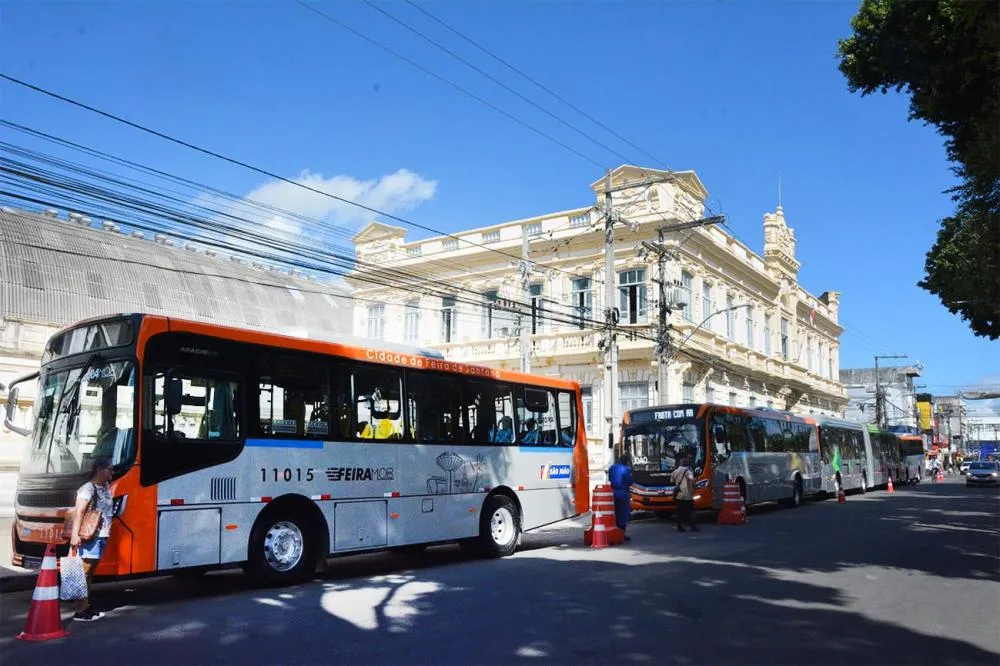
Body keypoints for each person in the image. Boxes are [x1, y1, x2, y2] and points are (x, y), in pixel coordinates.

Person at [70, 457, 114, 622]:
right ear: (100, 470)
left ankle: (86, 606)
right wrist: (75, 535)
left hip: (102, 535)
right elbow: (79, 513)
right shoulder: (87, 489)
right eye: (110, 469)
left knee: (90, 573)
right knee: (84, 571)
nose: (112, 472)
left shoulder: (104, 487)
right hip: (91, 536)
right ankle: (80, 610)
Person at [608, 452, 633, 541]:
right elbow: (630, 482)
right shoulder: (626, 469)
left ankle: (614, 531)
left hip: (612, 493)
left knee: (614, 512)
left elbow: (610, 479)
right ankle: (621, 533)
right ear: (626, 461)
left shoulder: (612, 468)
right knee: (623, 514)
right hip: (623, 493)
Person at [670, 455, 698, 532]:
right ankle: (692, 527)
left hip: (679, 495)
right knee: (691, 511)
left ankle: (679, 526)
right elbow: (692, 480)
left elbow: (672, 481)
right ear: (687, 463)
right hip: (688, 495)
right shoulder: (688, 472)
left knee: (679, 512)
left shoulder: (675, 471)